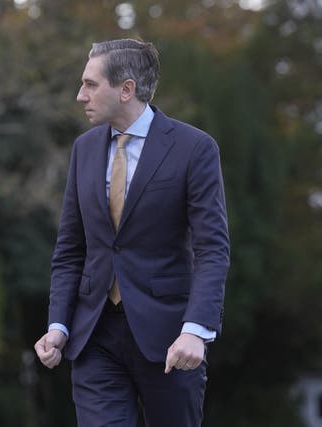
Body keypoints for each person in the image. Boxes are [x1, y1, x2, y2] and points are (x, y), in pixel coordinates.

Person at [34, 39, 230, 426]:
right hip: (94, 337)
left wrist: (196, 331)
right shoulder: (84, 149)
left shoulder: (194, 149)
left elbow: (213, 249)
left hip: (170, 339)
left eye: (91, 84)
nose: (80, 96)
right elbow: (71, 248)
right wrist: (58, 324)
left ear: (126, 89)